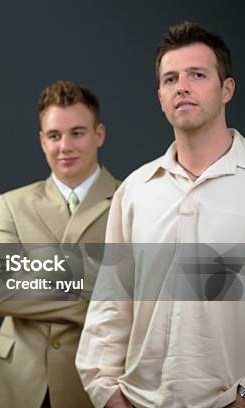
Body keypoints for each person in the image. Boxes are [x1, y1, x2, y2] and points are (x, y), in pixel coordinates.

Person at [76, 21, 245, 408]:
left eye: (197, 75)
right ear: (160, 96)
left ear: (227, 89)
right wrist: (107, 392)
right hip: (140, 400)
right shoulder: (136, 190)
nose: (182, 86)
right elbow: (111, 301)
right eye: (171, 79)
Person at [0, 80, 120, 408]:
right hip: (15, 382)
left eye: (77, 133)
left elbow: (135, 292)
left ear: (99, 134)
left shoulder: (131, 199)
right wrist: (93, 286)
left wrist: (32, 272)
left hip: (95, 381)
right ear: (42, 141)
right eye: (54, 136)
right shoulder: (13, 203)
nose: (64, 146)